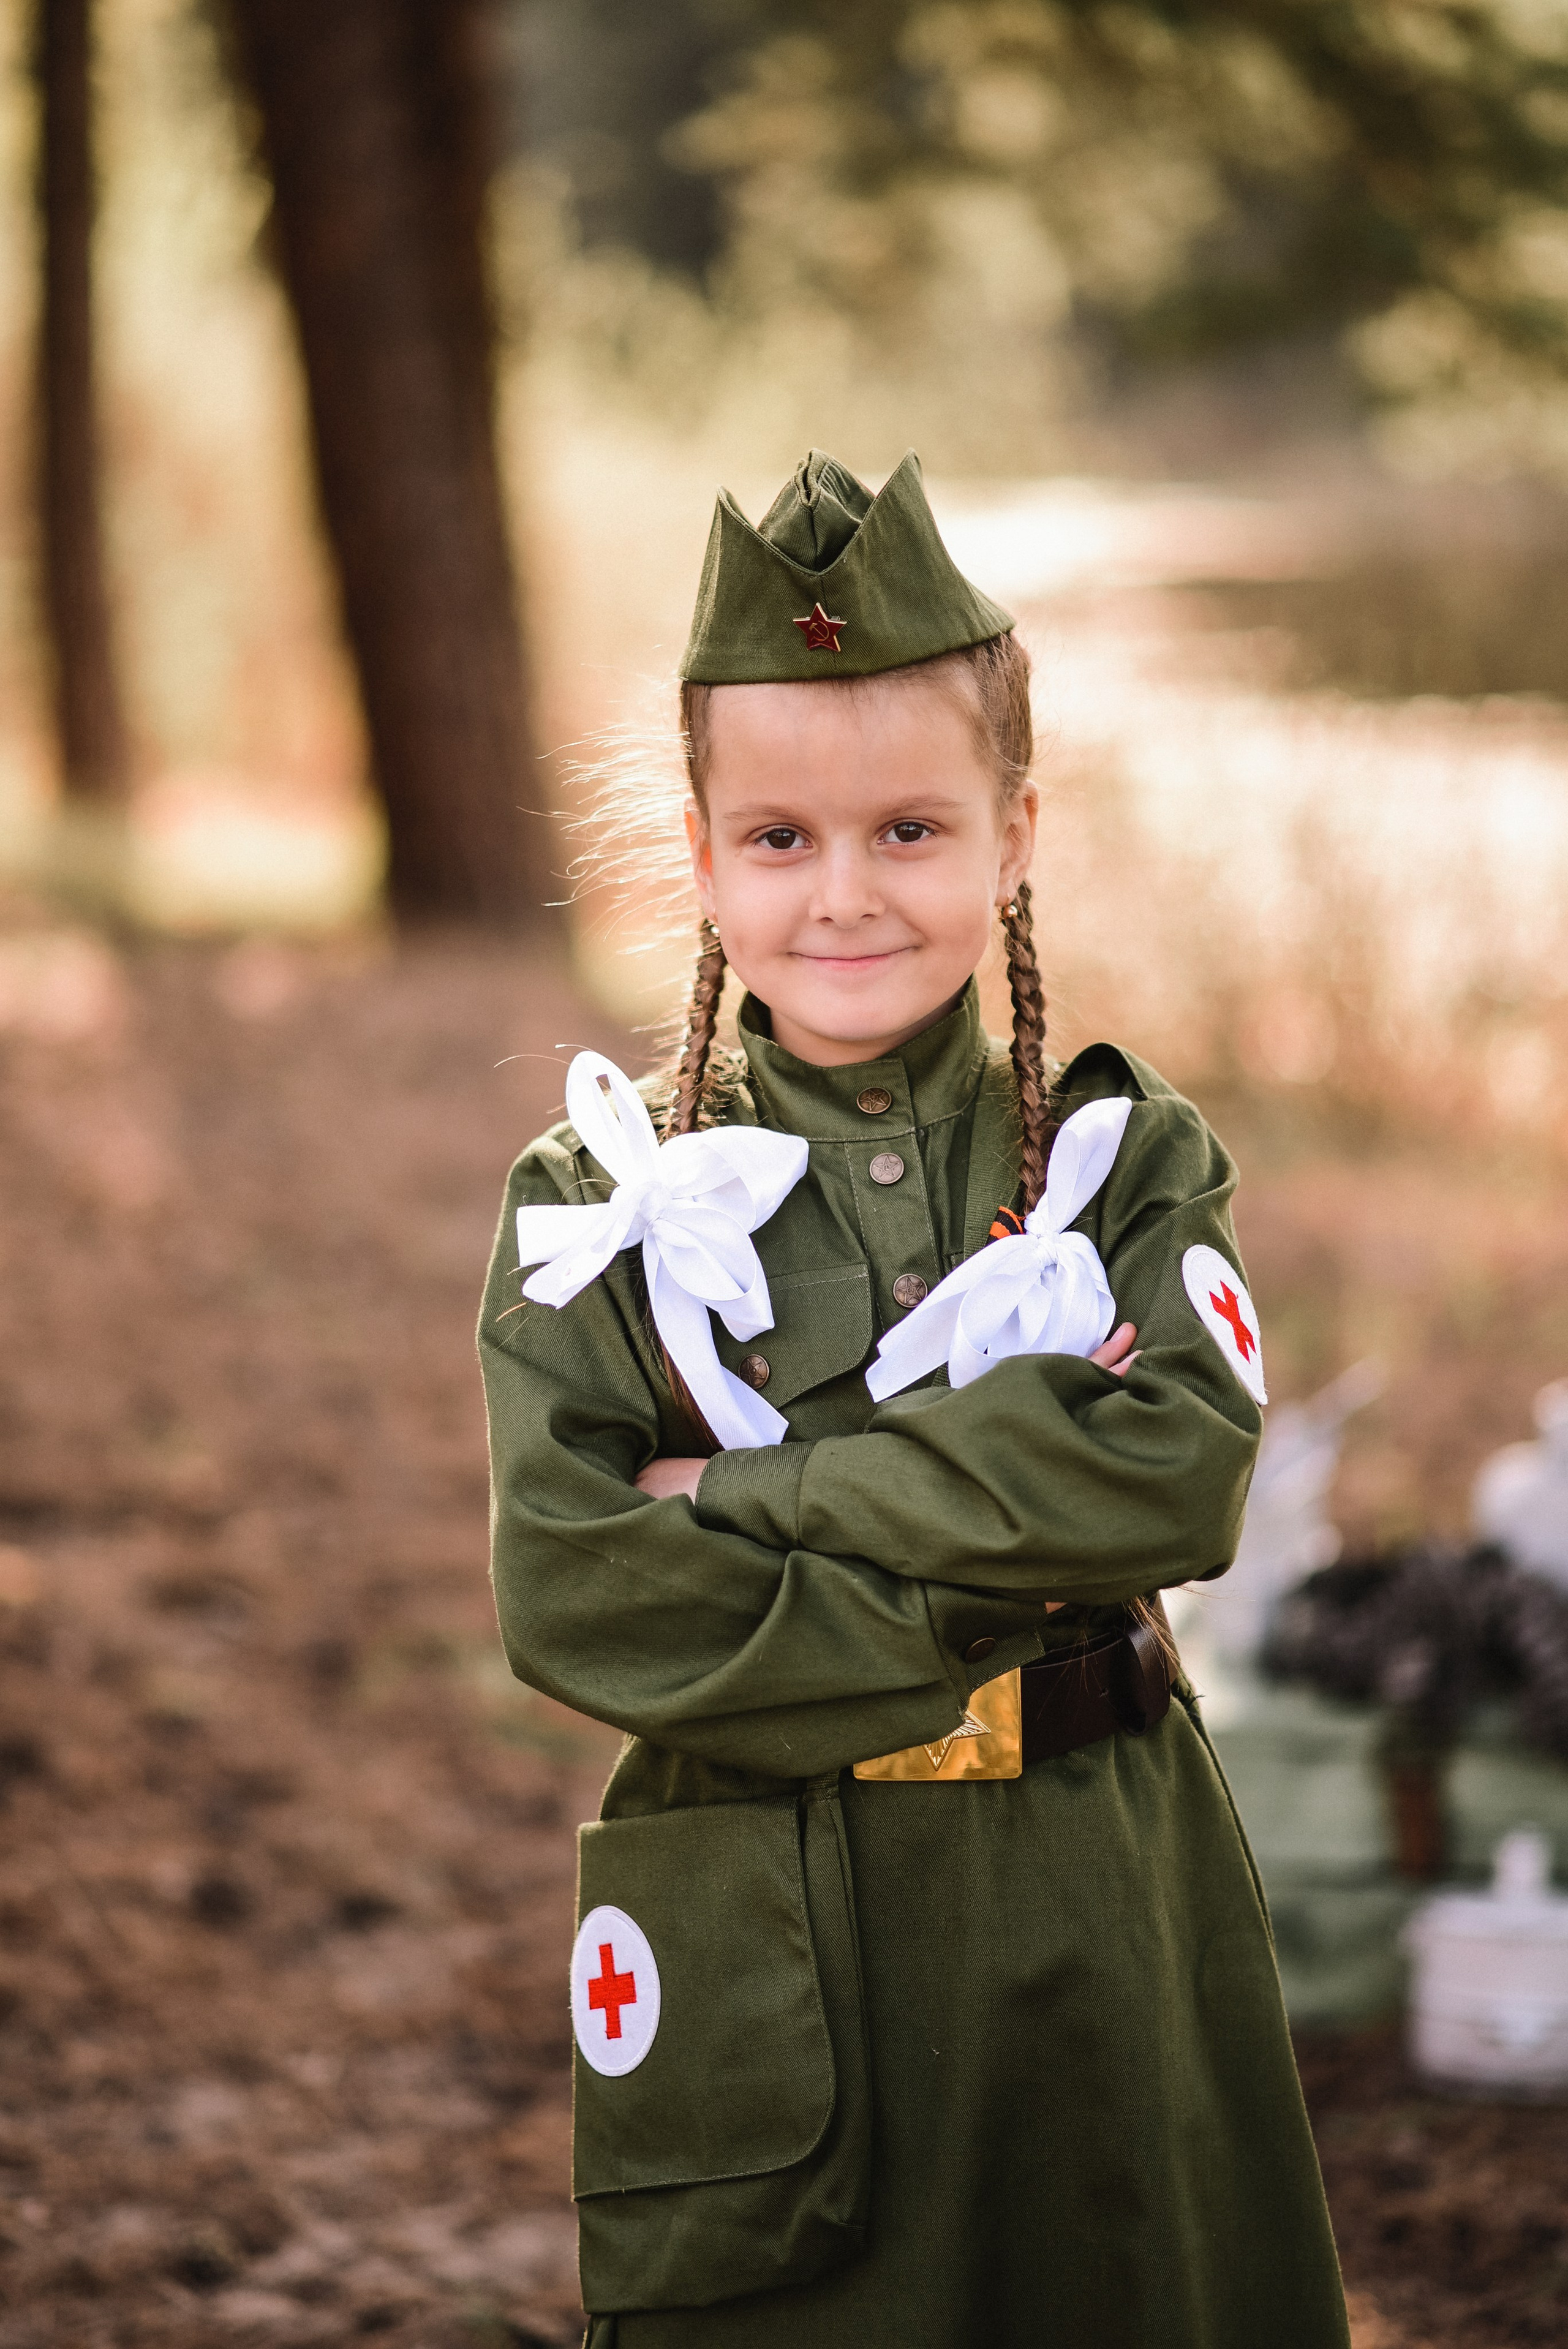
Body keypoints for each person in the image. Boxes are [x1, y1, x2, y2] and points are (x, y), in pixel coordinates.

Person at [478, 450, 1352, 2349]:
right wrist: (1001, 1510)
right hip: (770, 1928)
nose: (847, 893)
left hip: (1093, 1903)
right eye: (781, 838)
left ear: (1013, 832)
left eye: (910, 830)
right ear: (702, 854)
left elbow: (1175, 1482)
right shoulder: (593, 1212)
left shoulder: (1125, 1164)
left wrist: (744, 1496)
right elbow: (574, 1588)